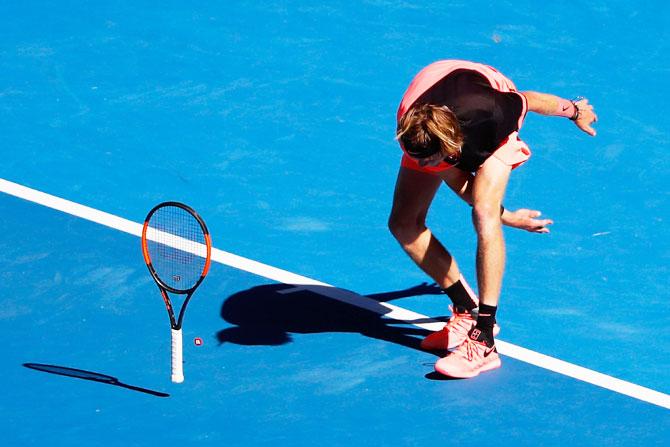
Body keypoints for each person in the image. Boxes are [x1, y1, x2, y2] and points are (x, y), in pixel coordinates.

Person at [388, 60, 597, 378]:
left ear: (449, 144)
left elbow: (531, 99)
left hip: (483, 95)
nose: (426, 165)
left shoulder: (493, 112)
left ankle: (484, 338)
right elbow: (454, 177)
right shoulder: (413, 133)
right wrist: (509, 216)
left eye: (432, 159)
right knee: (403, 223)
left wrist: (575, 111)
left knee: (485, 214)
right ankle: (464, 309)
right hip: (436, 95)